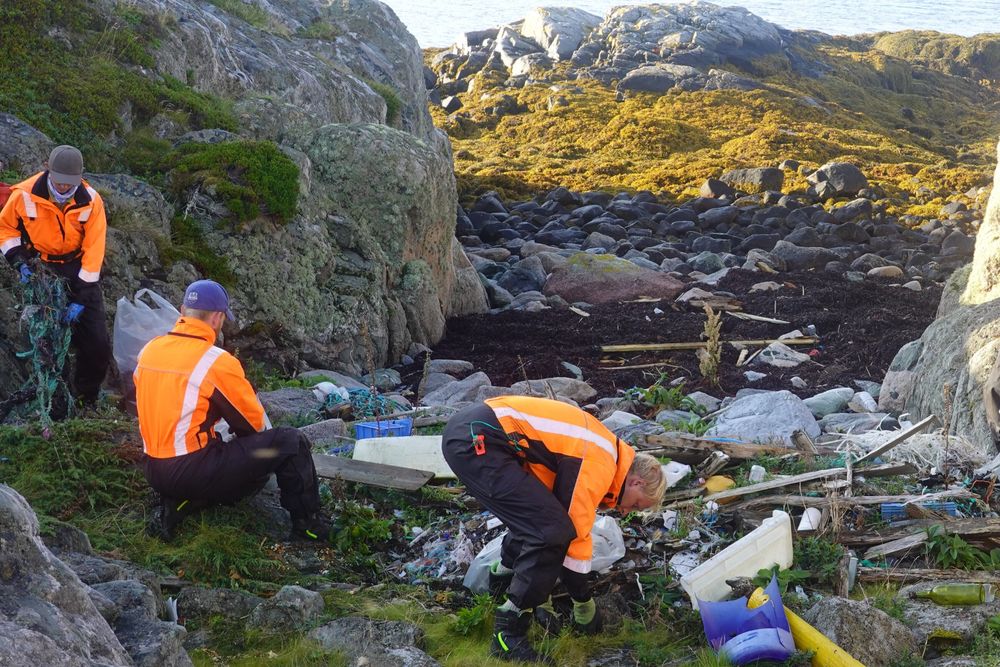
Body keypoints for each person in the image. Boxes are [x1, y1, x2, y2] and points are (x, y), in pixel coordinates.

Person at [441, 396, 667, 663]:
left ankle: (500, 584)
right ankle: (508, 634)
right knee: (552, 531)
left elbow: (549, 510)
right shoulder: (600, 462)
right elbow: (572, 532)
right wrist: (582, 600)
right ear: (636, 483)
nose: (628, 512)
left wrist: (547, 592)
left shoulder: (604, 450)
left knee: (541, 521)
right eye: (637, 505)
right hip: (480, 438)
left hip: (475, 431)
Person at [134, 279, 330, 542]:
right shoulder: (214, 361)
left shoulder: (150, 350)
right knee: (289, 443)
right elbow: (252, 427)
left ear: (182, 311)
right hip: (192, 471)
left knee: (214, 447)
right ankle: (310, 527)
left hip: (152, 468)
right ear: (216, 318)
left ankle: (182, 503)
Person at [0, 145, 111, 405]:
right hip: (44, 271)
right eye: (58, 182)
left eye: (69, 184)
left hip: (80, 268)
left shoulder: (91, 201)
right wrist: (19, 261)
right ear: (48, 171)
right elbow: (5, 229)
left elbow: (94, 250)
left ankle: (87, 396)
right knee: (49, 342)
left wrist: (82, 297)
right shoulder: (24, 195)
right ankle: (58, 400)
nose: (63, 188)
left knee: (97, 344)